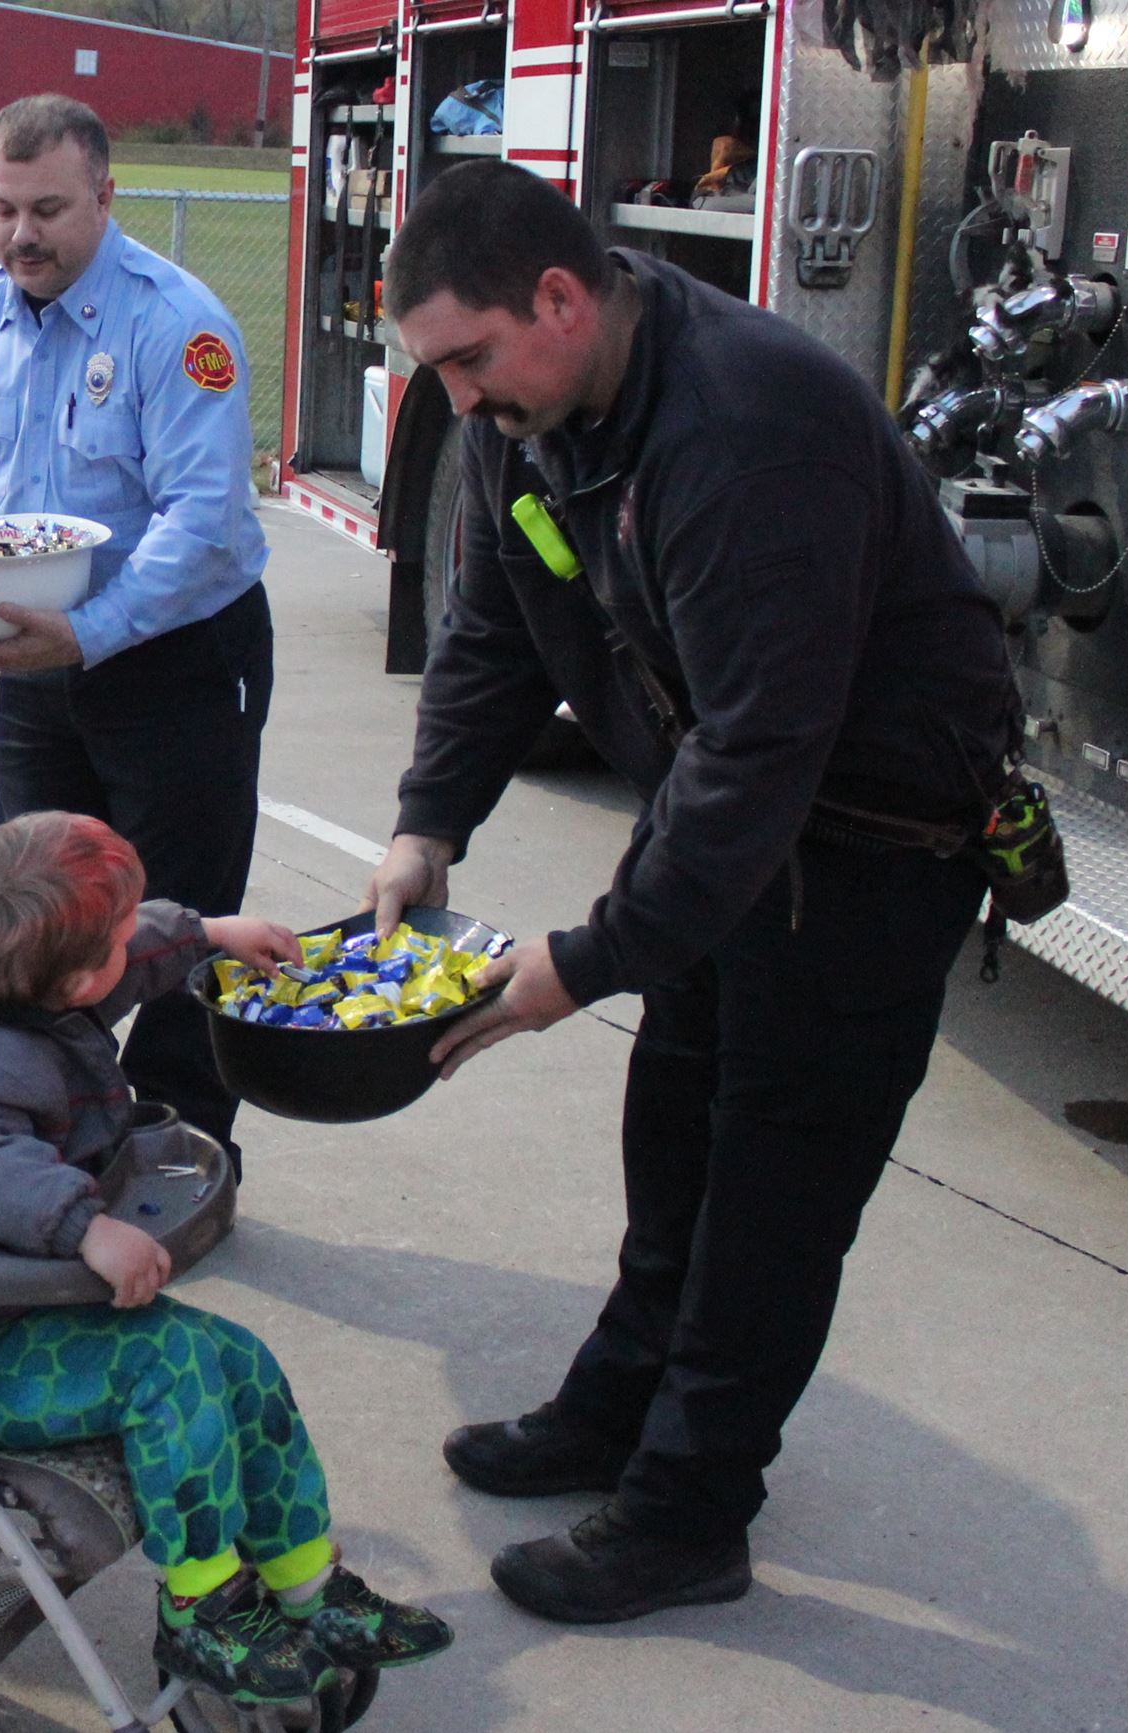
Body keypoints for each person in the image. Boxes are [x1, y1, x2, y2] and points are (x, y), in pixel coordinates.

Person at [363, 163, 1022, 1624]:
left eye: (469, 360)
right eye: (438, 372)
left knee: (771, 1196)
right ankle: (615, 1413)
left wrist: (579, 964)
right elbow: (496, 630)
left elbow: (760, 750)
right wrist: (429, 826)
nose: (458, 403)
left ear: (560, 296)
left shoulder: (744, 432)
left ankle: (687, 1511)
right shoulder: (531, 418)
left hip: (866, 855)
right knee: (677, 1140)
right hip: (737, 836)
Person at [0, 812, 454, 1705]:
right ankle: (202, 1603)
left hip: (32, 1310)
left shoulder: (50, 992)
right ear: (81, 976)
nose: (138, 943)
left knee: (238, 1358)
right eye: (124, 933)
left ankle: (307, 1582)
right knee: (171, 1369)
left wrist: (212, 933)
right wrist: (83, 1224)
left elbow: (132, 954)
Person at [0, 95, 272, 1170]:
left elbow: (203, 523)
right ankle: (51, 1129)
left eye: (48, 209)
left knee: (182, 914)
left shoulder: (176, 325)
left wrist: (88, 630)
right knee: (41, 919)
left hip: (177, 656)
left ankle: (184, 1145)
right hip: (36, 653)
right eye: (0, 208)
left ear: (106, 197)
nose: (21, 235)